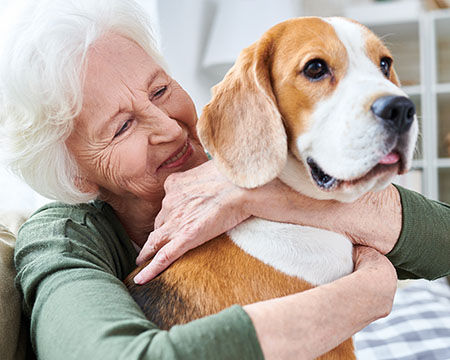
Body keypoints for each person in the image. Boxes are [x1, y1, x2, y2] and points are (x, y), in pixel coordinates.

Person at [0, 1, 448, 360]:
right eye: (122, 127)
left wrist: (258, 195)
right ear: (77, 172)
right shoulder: (59, 237)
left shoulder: (253, 152)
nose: (170, 128)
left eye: (160, 90)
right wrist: (366, 294)